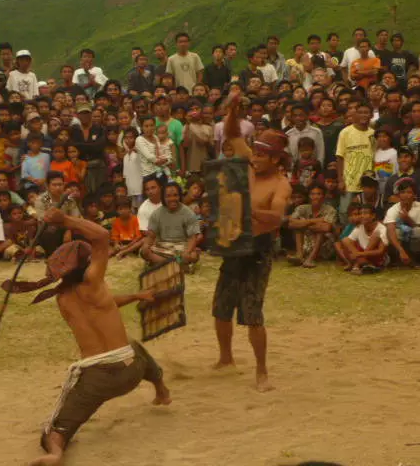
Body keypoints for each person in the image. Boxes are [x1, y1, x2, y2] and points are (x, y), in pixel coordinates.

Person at [0, 211, 170, 466]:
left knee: (53, 432)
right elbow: (102, 236)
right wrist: (65, 219)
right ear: (86, 264)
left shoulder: (62, 299)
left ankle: (56, 452)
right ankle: (161, 389)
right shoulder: (94, 282)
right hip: (131, 370)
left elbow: (103, 305)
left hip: (97, 380)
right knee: (134, 347)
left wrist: (136, 296)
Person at [212, 129, 291, 392]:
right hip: (236, 242)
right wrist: (234, 107)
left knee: (252, 313)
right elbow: (231, 130)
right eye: (254, 153)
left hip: (259, 249)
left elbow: (277, 217)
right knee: (221, 305)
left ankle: (261, 370)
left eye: (261, 155)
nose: (255, 159)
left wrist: (249, 209)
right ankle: (226, 357)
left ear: (275, 160)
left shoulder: (281, 184)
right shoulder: (249, 167)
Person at [141, 182, 200, 266]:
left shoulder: (189, 213)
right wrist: (146, 246)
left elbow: (192, 238)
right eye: (168, 196)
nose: (172, 199)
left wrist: (187, 252)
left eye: (175, 195)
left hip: (182, 248)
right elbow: (151, 236)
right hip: (162, 248)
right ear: (163, 198)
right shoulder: (156, 214)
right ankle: (177, 265)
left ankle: (163, 264)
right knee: (144, 252)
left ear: (180, 196)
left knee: (193, 255)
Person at [336, 102, 375, 224]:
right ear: (355, 114)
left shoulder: (373, 133)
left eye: (366, 112)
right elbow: (340, 157)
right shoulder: (345, 132)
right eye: (360, 112)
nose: (363, 115)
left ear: (371, 115)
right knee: (344, 211)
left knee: (366, 215)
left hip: (367, 182)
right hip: (349, 181)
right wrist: (340, 180)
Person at [287, 183, 337, 268]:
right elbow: (291, 224)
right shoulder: (302, 208)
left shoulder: (330, 210)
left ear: (324, 196)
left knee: (319, 230)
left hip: (325, 247)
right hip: (307, 243)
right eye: (312, 194)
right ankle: (300, 256)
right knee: (298, 227)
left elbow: (326, 228)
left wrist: (303, 223)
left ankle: (310, 259)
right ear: (309, 196)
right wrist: (315, 221)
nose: (315, 197)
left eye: (319, 194)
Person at [384, 178, 420, 266]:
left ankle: (414, 258)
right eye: (403, 192)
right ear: (398, 195)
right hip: (399, 237)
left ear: (414, 195)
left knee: (418, 232)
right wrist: (401, 251)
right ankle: (397, 258)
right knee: (394, 232)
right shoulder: (393, 210)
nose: (405, 195)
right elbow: (391, 232)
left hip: (412, 236)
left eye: (409, 192)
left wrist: (407, 219)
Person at [342, 203, 389, 274]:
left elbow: (381, 251)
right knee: (345, 240)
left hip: (378, 258)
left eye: (365, 213)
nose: (362, 216)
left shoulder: (381, 229)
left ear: (373, 216)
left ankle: (357, 265)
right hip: (361, 257)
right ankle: (367, 265)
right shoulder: (359, 227)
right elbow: (347, 243)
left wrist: (359, 254)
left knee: (375, 235)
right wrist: (356, 253)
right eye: (360, 213)